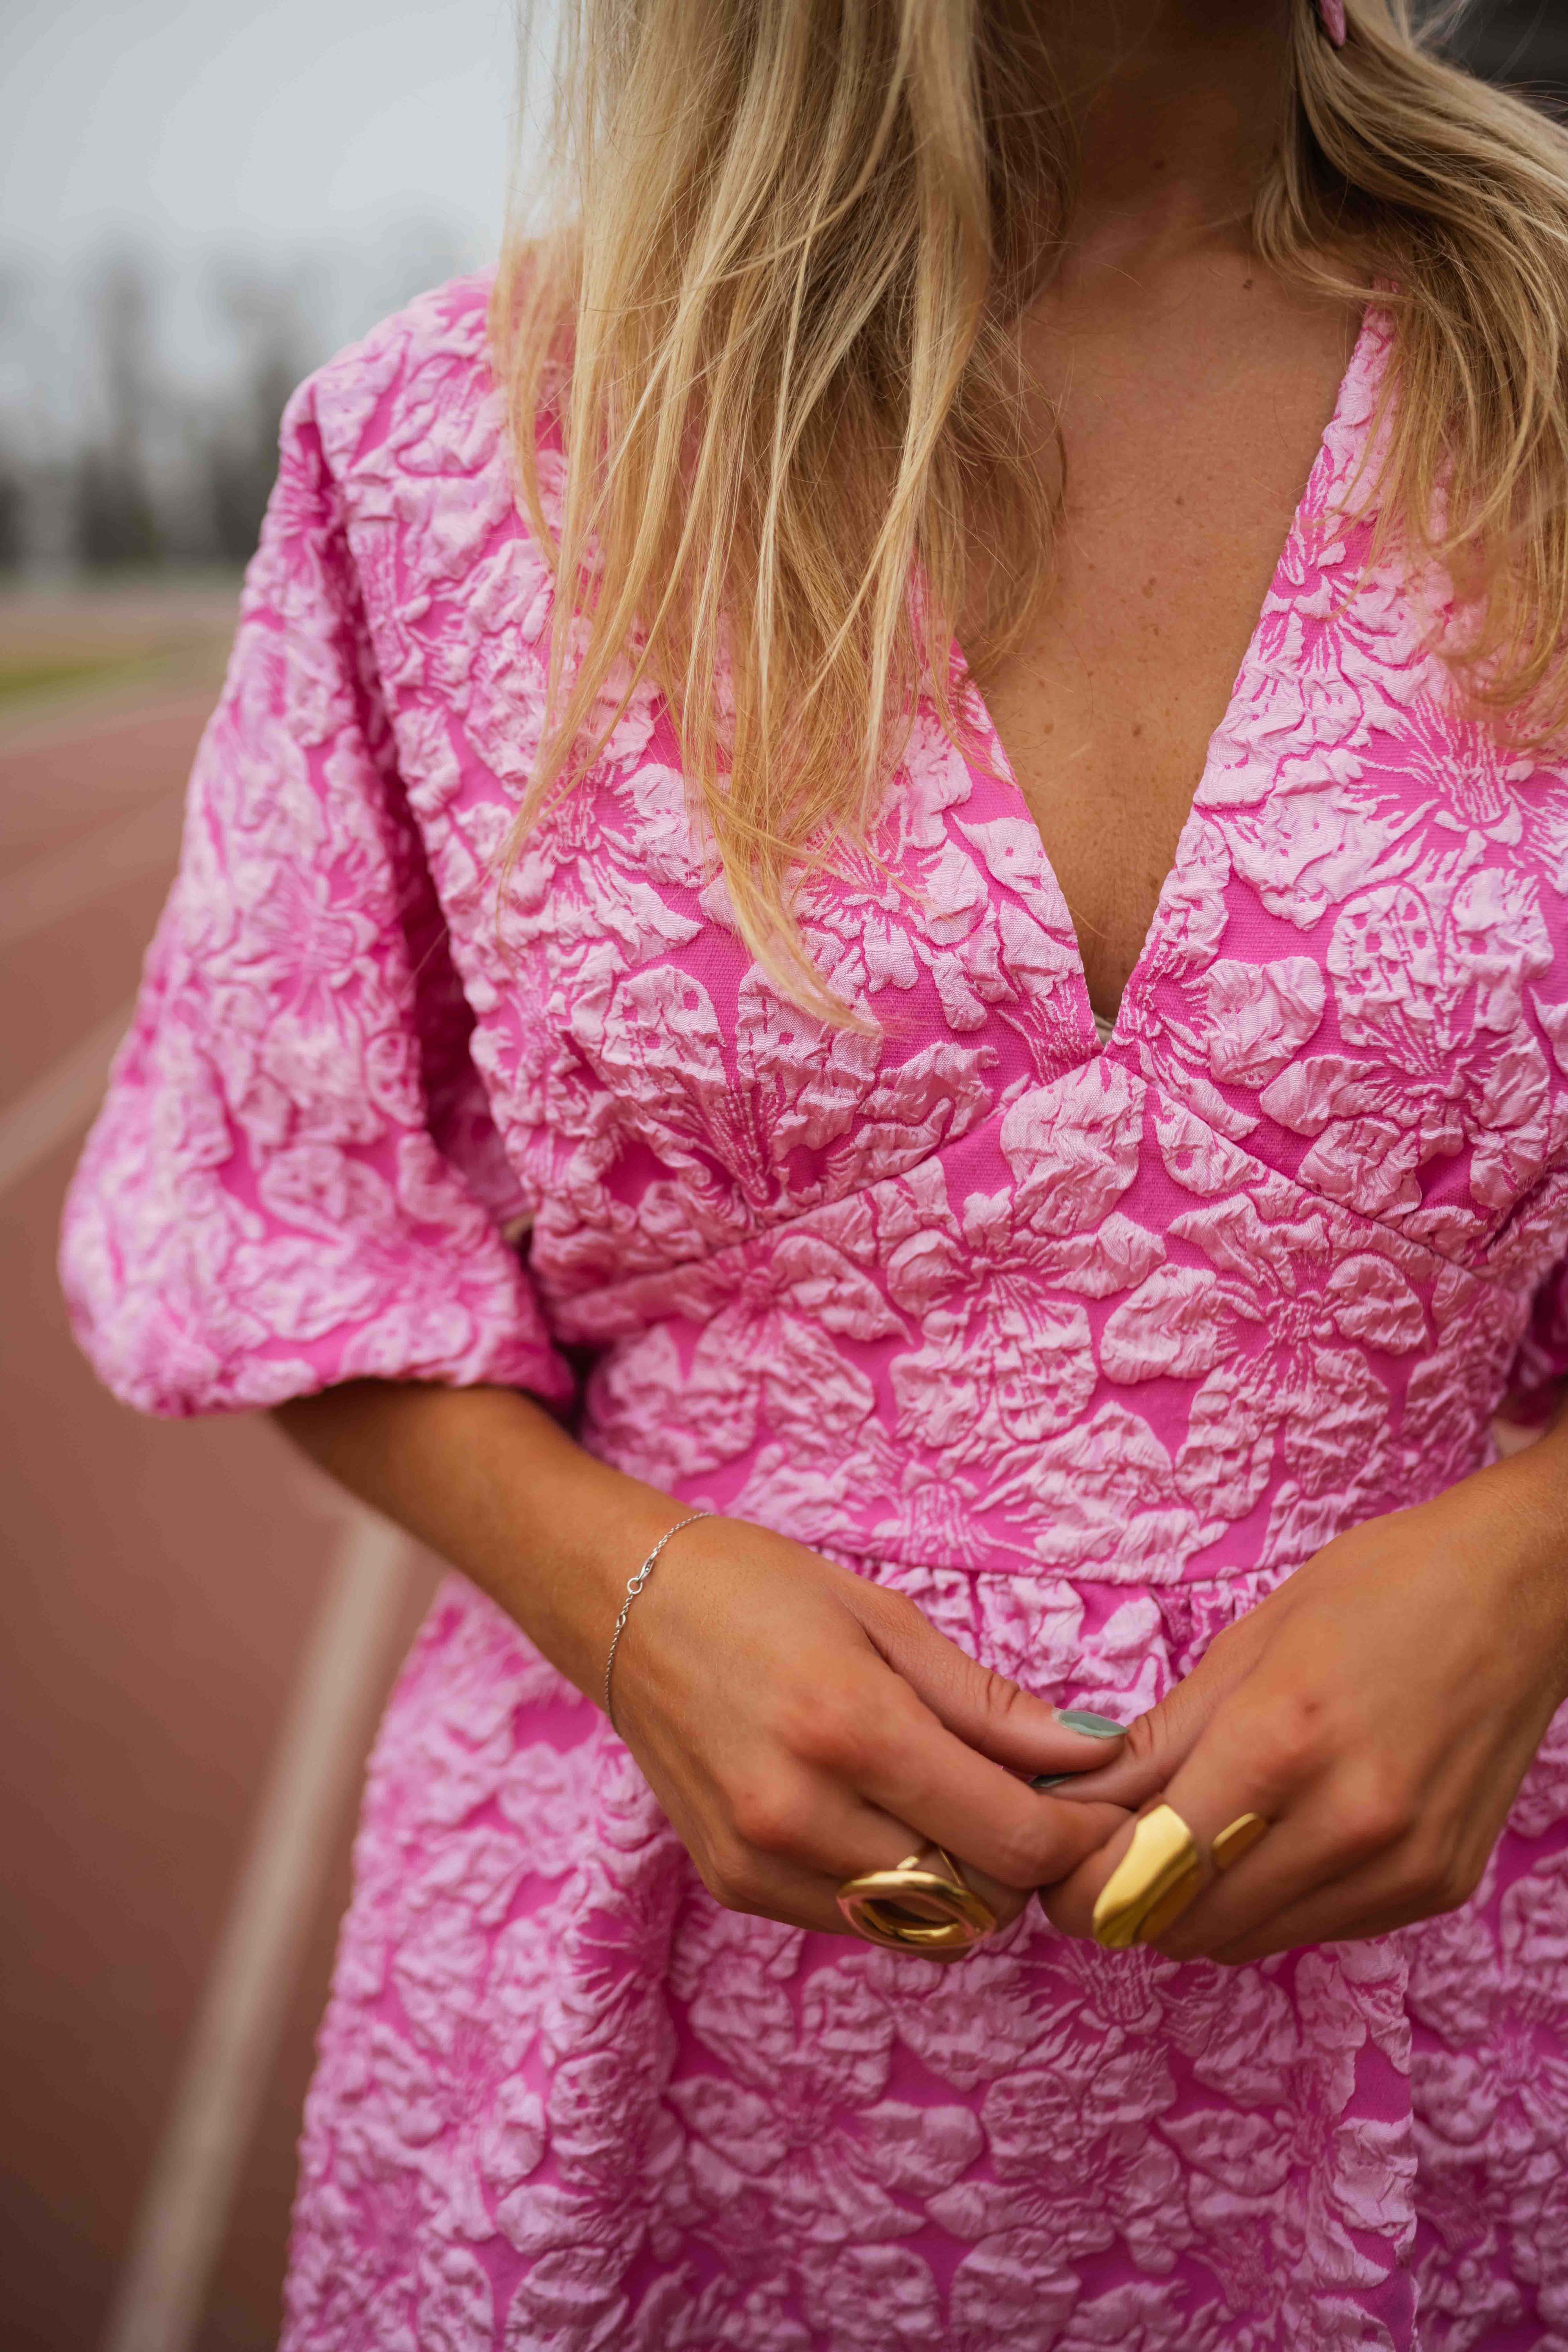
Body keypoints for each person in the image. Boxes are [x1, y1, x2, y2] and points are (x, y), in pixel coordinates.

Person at [60, 0, 1568, 2340]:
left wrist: (1530, 1568)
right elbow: (281, 1212)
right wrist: (630, 1604)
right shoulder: (458, 460)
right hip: (637, 2029)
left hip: (1454, 2021)